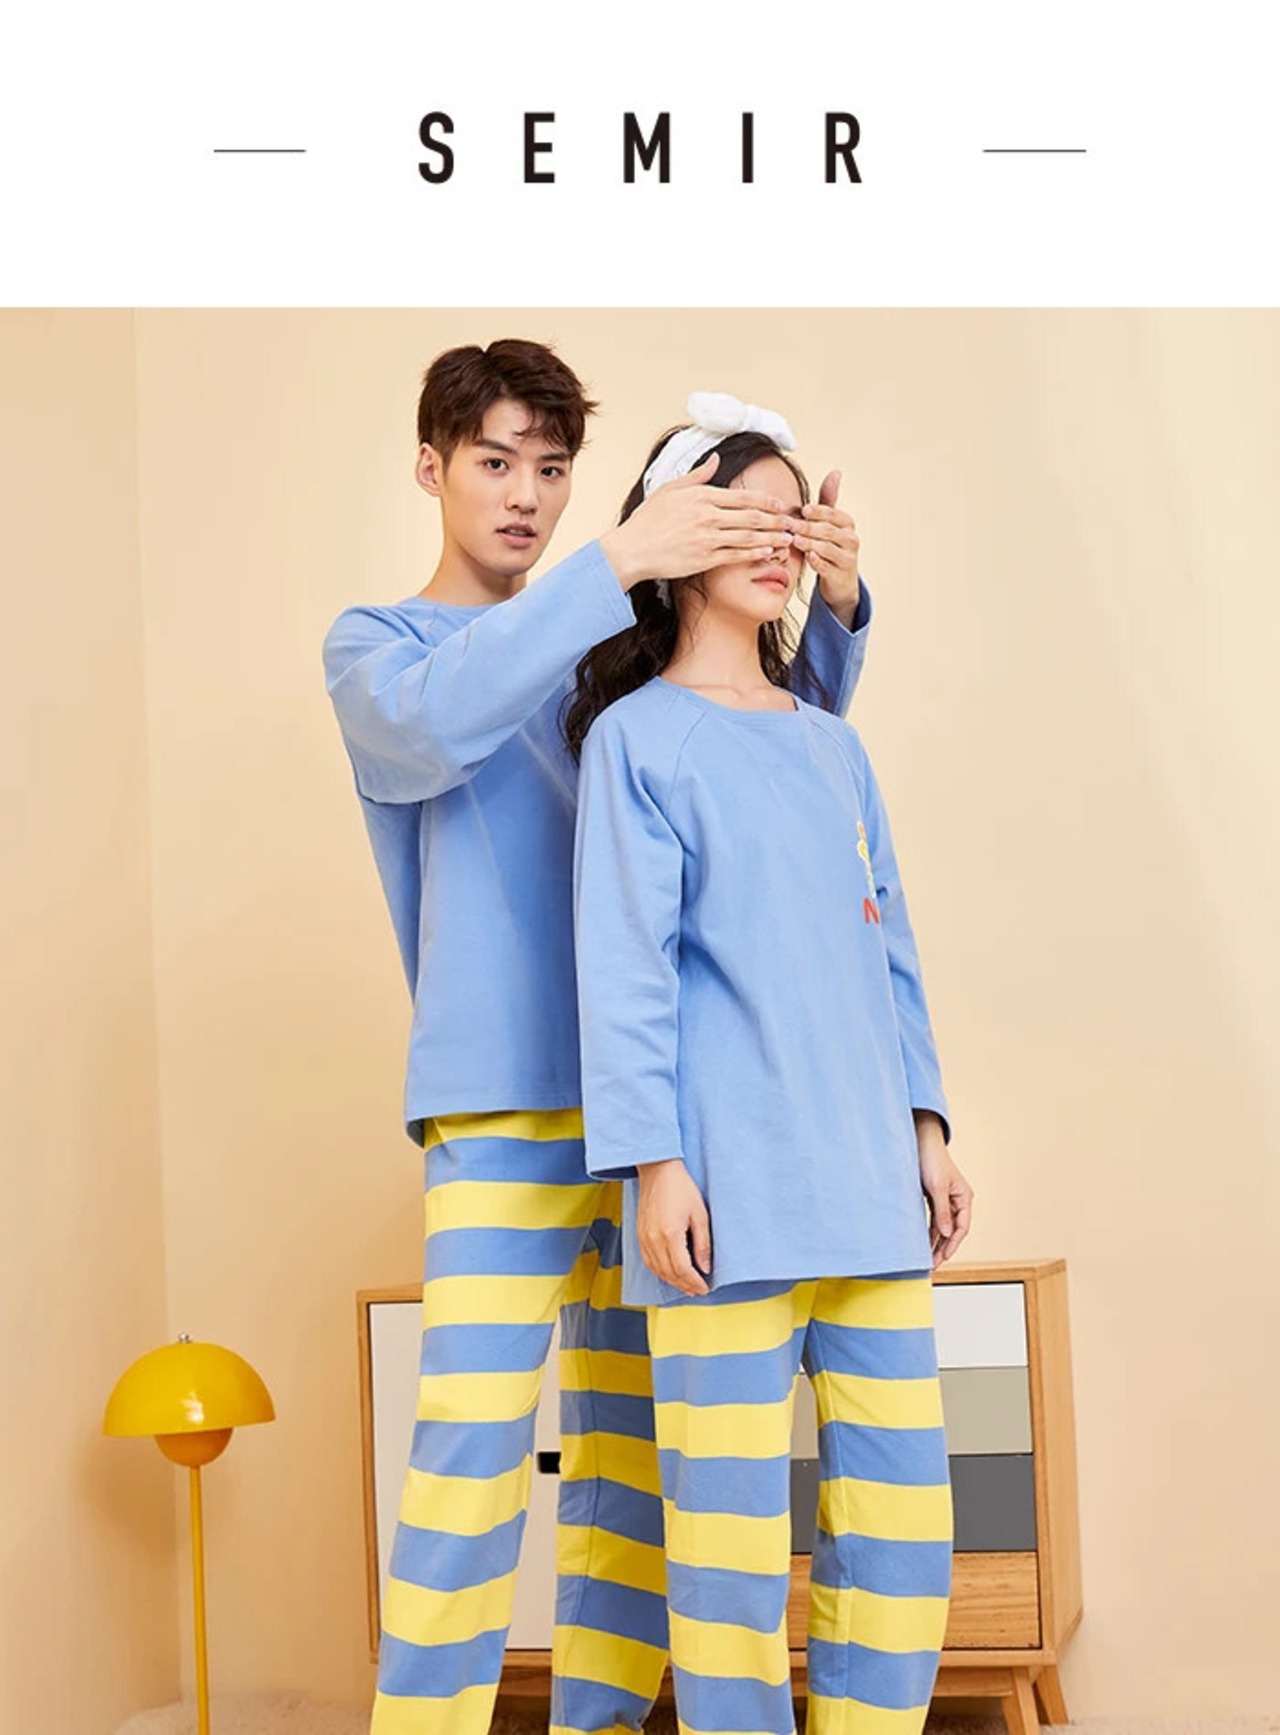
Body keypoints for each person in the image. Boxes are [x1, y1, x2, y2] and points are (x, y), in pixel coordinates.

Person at [323, 347, 872, 1735]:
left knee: (629, 1473)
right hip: (500, 1109)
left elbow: (767, 765)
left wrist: (835, 610)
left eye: (553, 468)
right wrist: (620, 558)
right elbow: (430, 731)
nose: (525, 494)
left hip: (661, 1126)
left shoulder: (615, 667)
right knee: (469, 1466)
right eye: (494, 461)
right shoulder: (380, 647)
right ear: (431, 466)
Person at [569, 403, 975, 1735]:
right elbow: (626, 973)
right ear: (681, 531)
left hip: (869, 1194)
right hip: (725, 1206)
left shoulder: (830, 743)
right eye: (747, 510)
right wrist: (656, 1166)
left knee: (902, 1544)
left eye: (794, 515)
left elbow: (888, 943)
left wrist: (927, 1130)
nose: (778, 538)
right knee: (729, 1565)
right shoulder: (637, 740)